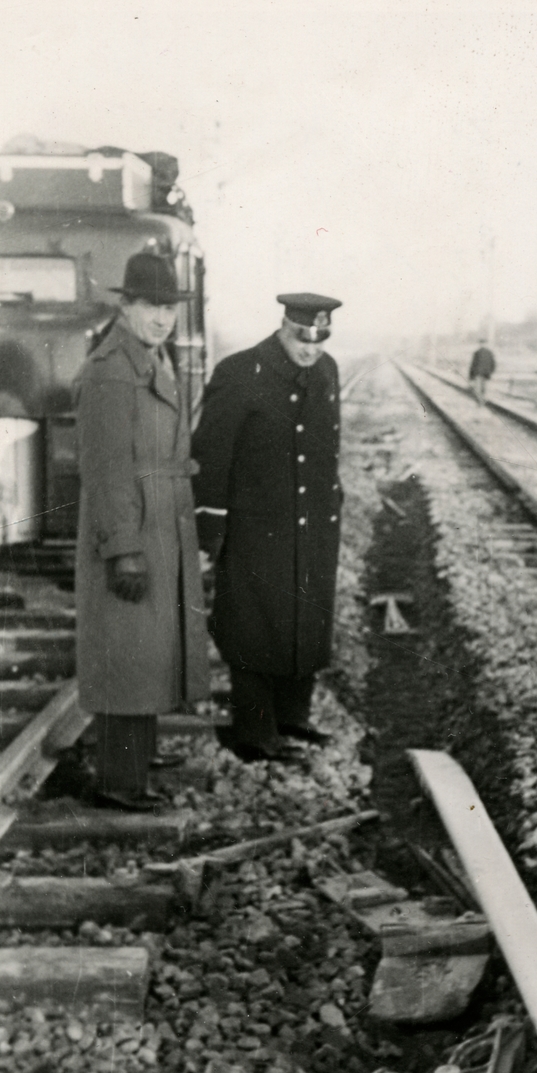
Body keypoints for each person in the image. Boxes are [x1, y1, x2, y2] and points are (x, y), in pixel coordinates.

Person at [75, 252, 210, 809]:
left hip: (157, 520)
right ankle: (119, 781)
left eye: (170, 309)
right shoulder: (111, 370)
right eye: (151, 306)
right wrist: (123, 549)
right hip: (131, 526)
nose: (162, 319)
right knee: (128, 650)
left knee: (148, 647)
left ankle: (141, 755)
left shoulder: (148, 357)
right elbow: (106, 469)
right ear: (125, 306)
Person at [191, 292, 343, 762]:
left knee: (306, 620)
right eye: (302, 338)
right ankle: (255, 734)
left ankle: (293, 717)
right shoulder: (240, 372)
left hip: (313, 523)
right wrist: (210, 529)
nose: (310, 349)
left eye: (319, 340)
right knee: (254, 628)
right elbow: (211, 454)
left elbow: (326, 448)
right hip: (257, 528)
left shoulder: (327, 371)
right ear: (283, 327)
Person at [468, 338, 496, 404]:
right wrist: (491, 371)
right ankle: (482, 398)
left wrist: (471, 375)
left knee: (478, 387)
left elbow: (473, 364)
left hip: (478, 373)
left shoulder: (477, 353)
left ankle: (480, 400)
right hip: (486, 373)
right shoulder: (489, 352)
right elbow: (493, 364)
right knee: (484, 387)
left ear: (480, 344)